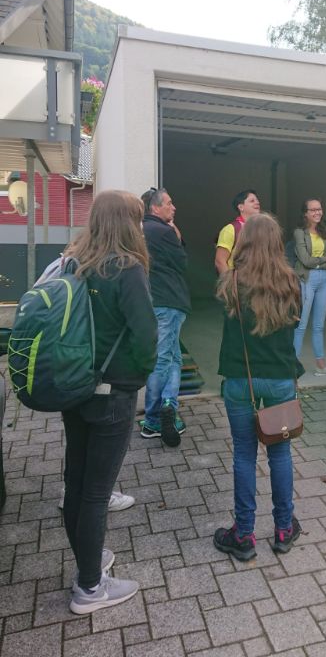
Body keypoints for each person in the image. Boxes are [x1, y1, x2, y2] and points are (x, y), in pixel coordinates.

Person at [62, 190, 157, 614]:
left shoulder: (74, 263)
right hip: (113, 392)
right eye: (137, 218)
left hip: (74, 386)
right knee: (97, 494)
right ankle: (89, 588)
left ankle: (89, 557)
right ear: (127, 223)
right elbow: (146, 335)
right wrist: (140, 374)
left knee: (77, 484)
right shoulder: (127, 268)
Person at [214, 213, 304, 561]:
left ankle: (244, 535)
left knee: (243, 453)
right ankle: (283, 529)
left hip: (241, 378)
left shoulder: (231, 282)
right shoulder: (291, 281)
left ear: (245, 243)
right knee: (280, 453)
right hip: (280, 378)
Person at [139, 187, 191, 447]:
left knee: (172, 358)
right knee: (163, 359)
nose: (174, 207)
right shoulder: (163, 231)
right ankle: (153, 418)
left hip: (152, 301)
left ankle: (169, 403)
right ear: (155, 208)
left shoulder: (139, 231)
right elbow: (182, 263)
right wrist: (177, 236)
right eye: (169, 203)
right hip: (169, 302)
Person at [293, 198, 326, 377]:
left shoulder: (325, 231)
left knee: (319, 326)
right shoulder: (299, 232)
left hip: (324, 279)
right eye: (313, 210)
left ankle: (321, 366)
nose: (317, 212)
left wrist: (320, 263)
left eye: (319, 209)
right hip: (307, 279)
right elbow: (305, 261)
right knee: (301, 325)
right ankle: (292, 366)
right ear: (305, 213)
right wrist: (324, 260)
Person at [215, 189, 261, 274]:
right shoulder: (230, 229)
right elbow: (220, 261)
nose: (257, 203)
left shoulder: (262, 229)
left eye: (257, 200)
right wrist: (230, 281)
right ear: (241, 207)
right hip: (238, 280)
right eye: (252, 201)